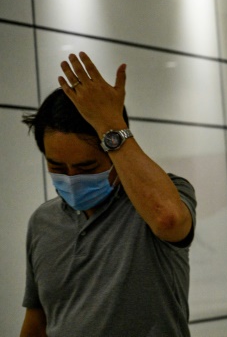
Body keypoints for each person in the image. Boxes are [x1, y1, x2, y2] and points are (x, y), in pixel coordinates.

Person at [19, 52, 196, 337]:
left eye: (86, 168)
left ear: (114, 152)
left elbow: (168, 219)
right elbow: (37, 321)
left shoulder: (165, 196)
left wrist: (110, 124)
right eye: (57, 167)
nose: (71, 178)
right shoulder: (42, 221)